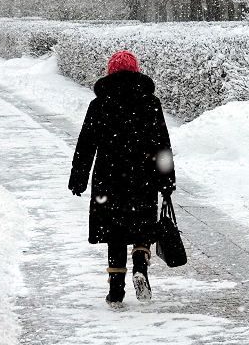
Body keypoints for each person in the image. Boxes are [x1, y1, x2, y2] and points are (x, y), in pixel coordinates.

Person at [68, 50, 175, 308]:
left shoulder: (100, 104)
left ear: (110, 72)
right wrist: (166, 180)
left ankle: (116, 291)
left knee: (114, 232)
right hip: (143, 176)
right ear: (136, 71)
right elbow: (162, 145)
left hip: (109, 178)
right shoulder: (150, 103)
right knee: (141, 225)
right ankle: (140, 265)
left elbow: (86, 144)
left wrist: (79, 176)